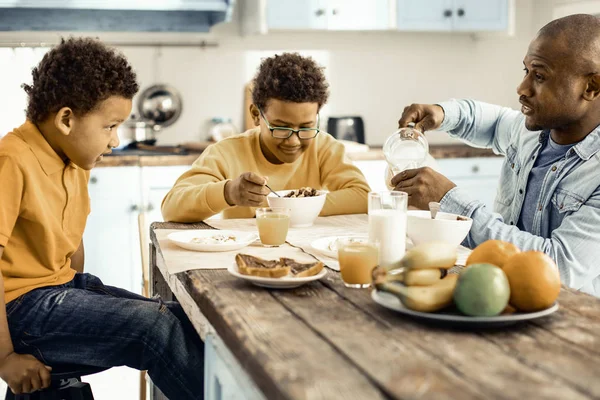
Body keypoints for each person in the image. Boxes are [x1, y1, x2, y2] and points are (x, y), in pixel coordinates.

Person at [0, 37, 204, 399]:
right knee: (154, 329)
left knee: (180, 317)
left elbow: (69, 250)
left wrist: (87, 301)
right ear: (66, 119)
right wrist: (4, 359)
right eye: (110, 126)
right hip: (19, 311)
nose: (115, 141)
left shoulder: (72, 158)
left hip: (58, 291)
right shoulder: (12, 160)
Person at [391, 14, 600, 297]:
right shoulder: (532, 131)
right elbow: (492, 121)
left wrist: (450, 201)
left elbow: (559, 266)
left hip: (572, 322)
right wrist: (442, 113)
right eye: (525, 71)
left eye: (539, 76)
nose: (522, 88)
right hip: (498, 297)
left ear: (591, 87)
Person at [162, 53, 370, 222]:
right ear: (255, 115)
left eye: (306, 127)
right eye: (281, 127)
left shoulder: (324, 147)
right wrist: (228, 193)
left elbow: (363, 197)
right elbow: (171, 208)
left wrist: (293, 206)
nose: (293, 141)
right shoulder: (226, 152)